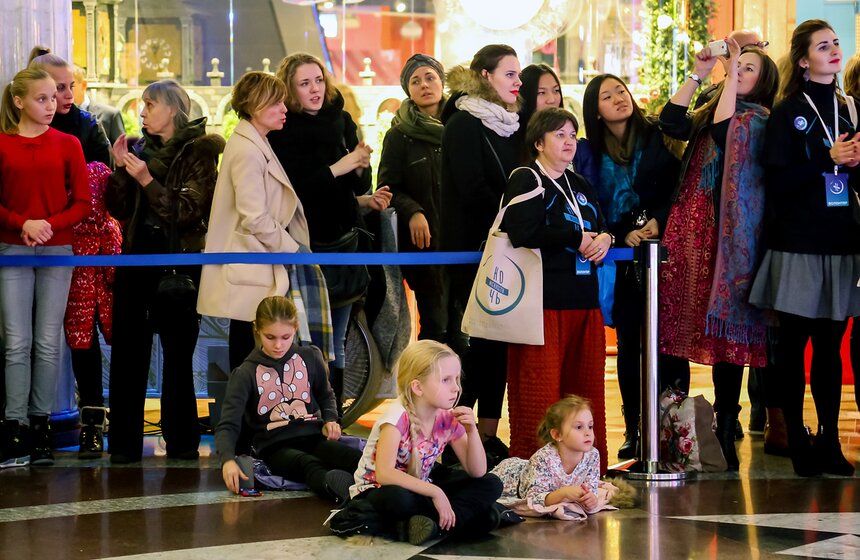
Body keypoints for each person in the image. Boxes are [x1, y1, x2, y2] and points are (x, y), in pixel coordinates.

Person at [659, 40, 778, 470]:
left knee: (727, 337)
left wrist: (726, 74)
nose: (739, 70)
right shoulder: (712, 108)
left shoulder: (759, 121)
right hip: (689, 232)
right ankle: (674, 428)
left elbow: (727, 131)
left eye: (749, 67)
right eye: (738, 64)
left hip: (728, 239)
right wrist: (698, 72)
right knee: (674, 326)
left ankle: (726, 426)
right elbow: (670, 122)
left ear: (764, 80)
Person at [749, 19, 860, 477]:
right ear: (802, 59)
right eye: (822, 46)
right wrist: (824, 161)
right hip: (796, 242)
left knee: (831, 348)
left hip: (839, 241)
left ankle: (830, 440)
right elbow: (775, 181)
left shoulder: (848, 108)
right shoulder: (787, 110)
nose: (833, 51)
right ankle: (796, 440)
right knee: (793, 347)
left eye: (835, 44)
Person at [105, 79, 225, 464]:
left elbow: (187, 211)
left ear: (172, 109)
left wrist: (144, 178)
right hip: (136, 260)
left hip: (179, 266)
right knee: (127, 356)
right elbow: (118, 209)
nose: (142, 112)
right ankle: (123, 445)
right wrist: (119, 168)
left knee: (177, 358)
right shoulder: (138, 150)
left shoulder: (199, 152)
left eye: (150, 104)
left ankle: (183, 444)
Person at [268, 53, 392, 413]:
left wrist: (360, 173)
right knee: (302, 337)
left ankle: (332, 415)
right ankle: (298, 411)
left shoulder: (342, 120)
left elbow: (357, 181)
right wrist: (340, 167)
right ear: (290, 89)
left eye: (319, 80)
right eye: (305, 83)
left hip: (345, 241)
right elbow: (296, 190)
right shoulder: (284, 130)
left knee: (337, 336)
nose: (315, 89)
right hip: (305, 243)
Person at [501, 107, 611, 472]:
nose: (568, 142)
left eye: (572, 135)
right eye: (559, 135)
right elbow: (523, 231)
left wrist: (606, 237)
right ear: (538, 142)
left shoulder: (580, 184)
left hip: (584, 303)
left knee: (586, 395)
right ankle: (536, 476)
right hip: (541, 304)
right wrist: (575, 237)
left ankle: (588, 473)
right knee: (540, 397)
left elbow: (600, 222)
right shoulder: (527, 177)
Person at [579, 73, 682, 459]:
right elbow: (593, 204)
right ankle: (635, 426)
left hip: (664, 250)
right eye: (607, 96)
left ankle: (674, 426)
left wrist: (659, 218)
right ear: (597, 111)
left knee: (669, 341)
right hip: (623, 257)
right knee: (629, 344)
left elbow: (679, 185)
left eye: (621, 91)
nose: (619, 99)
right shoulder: (591, 153)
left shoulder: (657, 134)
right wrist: (624, 233)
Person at [30, 49, 121, 458]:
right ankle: (34, 422)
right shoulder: (20, 133)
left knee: (84, 340)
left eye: (69, 88)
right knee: (37, 337)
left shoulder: (88, 127)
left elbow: (105, 191)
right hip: (35, 242)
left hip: (83, 247)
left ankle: (92, 423)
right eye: (56, 89)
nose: (64, 96)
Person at [0, 67, 91, 468]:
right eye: (42, 98)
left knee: (48, 341)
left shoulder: (69, 143)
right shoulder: (2, 144)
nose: (51, 105)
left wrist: (49, 225)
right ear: (19, 102)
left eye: (54, 97)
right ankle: (15, 426)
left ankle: (40, 428)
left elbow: (83, 203)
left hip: (57, 248)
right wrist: (23, 224)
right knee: (16, 342)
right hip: (12, 248)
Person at [331, 339, 502, 545]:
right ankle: (449, 521)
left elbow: (477, 471)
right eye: (446, 380)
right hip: (379, 492)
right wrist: (436, 493)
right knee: (399, 499)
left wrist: (472, 431)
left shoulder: (448, 418)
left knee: (492, 484)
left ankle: (432, 526)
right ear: (418, 387)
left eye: (457, 379)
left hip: (420, 487)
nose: (456, 388)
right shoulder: (396, 418)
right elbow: (384, 475)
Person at [440, 44, 522, 461]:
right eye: (509, 74)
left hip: (506, 248)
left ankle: (488, 437)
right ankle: (457, 435)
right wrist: (516, 214)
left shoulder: (512, 124)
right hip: (474, 248)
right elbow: (471, 189)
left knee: (498, 347)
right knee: (474, 345)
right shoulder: (463, 123)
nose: (518, 82)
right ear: (485, 76)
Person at [198, 71, 311, 369]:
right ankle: (249, 416)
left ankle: (250, 415)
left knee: (251, 350)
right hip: (252, 260)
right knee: (251, 355)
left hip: (255, 261)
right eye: (276, 103)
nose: (284, 109)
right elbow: (254, 216)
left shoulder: (253, 141)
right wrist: (291, 248)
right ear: (255, 104)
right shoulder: (248, 149)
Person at [216, 296, 360, 502]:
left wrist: (330, 419)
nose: (278, 345)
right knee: (307, 464)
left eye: (286, 337)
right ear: (257, 329)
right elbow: (228, 424)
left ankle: (382, 486)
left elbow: (326, 394)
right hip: (274, 447)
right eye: (270, 337)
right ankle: (340, 491)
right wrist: (227, 460)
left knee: (348, 457)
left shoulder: (311, 356)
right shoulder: (245, 373)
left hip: (313, 436)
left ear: (296, 328)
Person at [378, 54, 456, 348]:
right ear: (407, 89)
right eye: (416, 80)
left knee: (463, 328)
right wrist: (414, 211)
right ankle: (428, 390)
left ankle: (460, 393)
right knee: (435, 326)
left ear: (441, 81)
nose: (424, 85)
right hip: (424, 247)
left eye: (430, 77)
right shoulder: (399, 135)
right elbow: (387, 187)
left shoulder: (461, 126)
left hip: (461, 242)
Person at [492, 396, 604, 518]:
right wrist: (563, 493)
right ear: (557, 434)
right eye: (579, 427)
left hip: (530, 471)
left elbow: (591, 488)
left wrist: (591, 499)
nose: (588, 433)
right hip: (510, 478)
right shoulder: (543, 458)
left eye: (590, 426)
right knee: (484, 486)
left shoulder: (593, 455)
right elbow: (534, 499)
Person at [28, 48, 110, 166]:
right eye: (60, 87)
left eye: (71, 86)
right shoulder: (18, 125)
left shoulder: (89, 125)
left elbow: (105, 175)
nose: (70, 95)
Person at [72, 64, 126, 146]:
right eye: (60, 87)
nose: (66, 92)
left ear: (83, 85)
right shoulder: (57, 117)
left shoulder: (110, 115)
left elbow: (121, 153)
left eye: (71, 86)